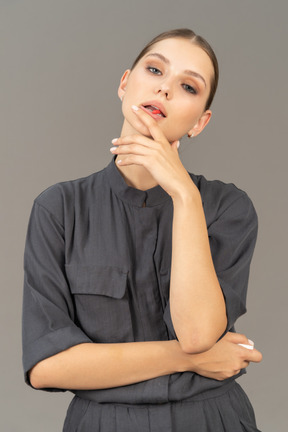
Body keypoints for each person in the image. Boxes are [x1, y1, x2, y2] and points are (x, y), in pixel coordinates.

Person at [22, 28, 263, 431]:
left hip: (213, 420)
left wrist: (184, 196)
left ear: (200, 123)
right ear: (124, 83)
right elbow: (47, 366)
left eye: (187, 86)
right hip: (103, 423)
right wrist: (188, 360)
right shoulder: (59, 208)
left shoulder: (227, 208)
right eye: (154, 70)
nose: (165, 89)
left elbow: (199, 333)